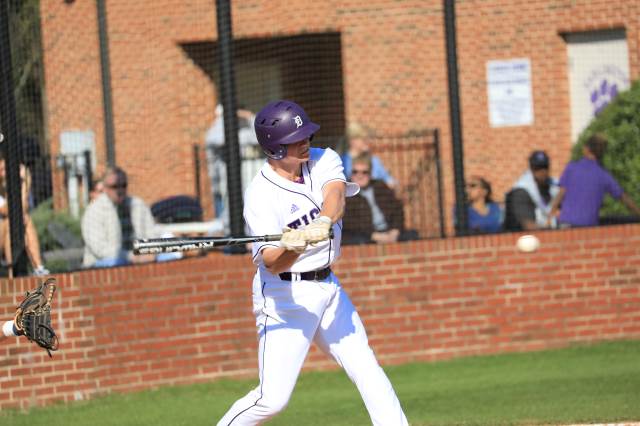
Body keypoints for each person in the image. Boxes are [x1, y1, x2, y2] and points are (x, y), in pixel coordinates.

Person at [217, 100, 408, 425]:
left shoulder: (323, 158)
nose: (305, 141)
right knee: (272, 400)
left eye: (306, 135)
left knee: (366, 367)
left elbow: (335, 196)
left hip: (328, 286)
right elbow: (272, 262)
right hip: (285, 298)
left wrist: (321, 222)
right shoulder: (260, 194)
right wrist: (294, 246)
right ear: (275, 148)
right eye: (296, 139)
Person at [549, 134, 640, 227]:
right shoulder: (603, 175)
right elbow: (624, 198)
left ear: (586, 149)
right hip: (589, 227)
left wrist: (549, 217)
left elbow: (560, 195)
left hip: (566, 225)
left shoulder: (571, 168)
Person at [81, 166, 156, 268]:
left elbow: (152, 233)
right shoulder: (94, 211)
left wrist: (150, 252)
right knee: (117, 262)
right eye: (114, 186)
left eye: (123, 185)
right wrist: (130, 256)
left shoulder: (138, 205)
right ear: (105, 188)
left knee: (169, 256)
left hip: (140, 258)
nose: (120, 190)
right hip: (100, 265)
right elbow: (100, 249)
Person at [205, 103, 262, 233]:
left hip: (250, 176)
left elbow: (262, 135)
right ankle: (231, 237)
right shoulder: (218, 129)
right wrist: (224, 118)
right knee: (230, 211)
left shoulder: (246, 127)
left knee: (252, 207)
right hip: (225, 179)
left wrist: (249, 117)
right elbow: (216, 139)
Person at [342, 153, 417, 244]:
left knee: (413, 235)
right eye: (355, 172)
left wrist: (395, 231)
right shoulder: (347, 192)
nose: (359, 175)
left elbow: (397, 209)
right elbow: (350, 223)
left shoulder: (380, 186)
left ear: (370, 173)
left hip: (388, 231)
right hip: (365, 235)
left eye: (364, 172)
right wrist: (374, 236)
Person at [0, 157, 49, 277]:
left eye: (7, 169)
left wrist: (24, 187)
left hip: (10, 229)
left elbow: (23, 208)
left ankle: (37, 269)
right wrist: (24, 185)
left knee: (24, 219)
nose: (5, 172)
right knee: (11, 221)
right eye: (2, 169)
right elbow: (6, 210)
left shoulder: (15, 188)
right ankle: (33, 267)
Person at [503, 150, 559, 231]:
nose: (543, 171)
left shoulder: (553, 185)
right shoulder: (521, 190)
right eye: (538, 168)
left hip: (547, 231)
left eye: (545, 167)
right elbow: (528, 225)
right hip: (522, 235)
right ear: (531, 169)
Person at [341, 122, 396, 188]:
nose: (368, 141)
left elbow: (390, 182)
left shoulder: (374, 160)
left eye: (368, 139)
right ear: (352, 140)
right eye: (364, 139)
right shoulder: (342, 161)